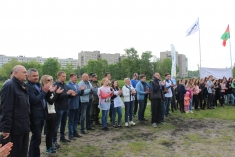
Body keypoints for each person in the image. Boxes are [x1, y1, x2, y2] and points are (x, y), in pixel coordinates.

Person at [0, 65, 30, 157]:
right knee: (15, 153)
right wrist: (6, 128)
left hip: (24, 126)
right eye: (24, 72)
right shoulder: (9, 85)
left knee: (23, 152)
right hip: (15, 128)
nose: (26, 74)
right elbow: (6, 108)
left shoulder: (21, 85)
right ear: (15, 73)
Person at [26, 68, 50, 157]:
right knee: (36, 138)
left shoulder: (38, 84)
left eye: (37, 75)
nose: (36, 77)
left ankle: (33, 154)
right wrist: (44, 91)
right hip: (35, 115)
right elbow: (33, 100)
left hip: (41, 114)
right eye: (34, 76)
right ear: (28, 76)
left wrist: (48, 92)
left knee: (37, 138)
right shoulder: (28, 86)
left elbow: (43, 97)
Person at [40, 75, 63, 154]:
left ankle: (50, 145)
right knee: (49, 132)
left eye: (52, 79)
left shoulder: (51, 89)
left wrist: (57, 94)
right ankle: (48, 148)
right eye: (48, 80)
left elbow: (54, 100)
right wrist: (56, 93)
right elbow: (50, 101)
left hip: (53, 111)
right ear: (44, 81)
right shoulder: (45, 90)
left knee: (52, 131)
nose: (51, 81)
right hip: (48, 113)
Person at [52, 71, 75, 149]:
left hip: (66, 107)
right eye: (63, 76)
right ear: (58, 76)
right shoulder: (55, 85)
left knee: (64, 124)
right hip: (59, 107)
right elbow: (56, 98)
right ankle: (54, 140)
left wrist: (71, 95)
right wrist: (67, 94)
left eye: (65, 76)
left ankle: (62, 137)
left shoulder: (65, 85)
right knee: (56, 125)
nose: (64, 78)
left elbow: (66, 96)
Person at [67, 74, 85, 140]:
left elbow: (80, 93)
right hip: (71, 105)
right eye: (74, 78)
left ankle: (75, 132)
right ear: (71, 77)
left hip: (77, 104)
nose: (76, 79)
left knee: (76, 120)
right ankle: (70, 134)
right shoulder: (68, 85)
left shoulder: (77, 85)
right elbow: (72, 94)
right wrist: (78, 91)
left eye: (76, 78)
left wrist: (82, 90)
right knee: (71, 120)